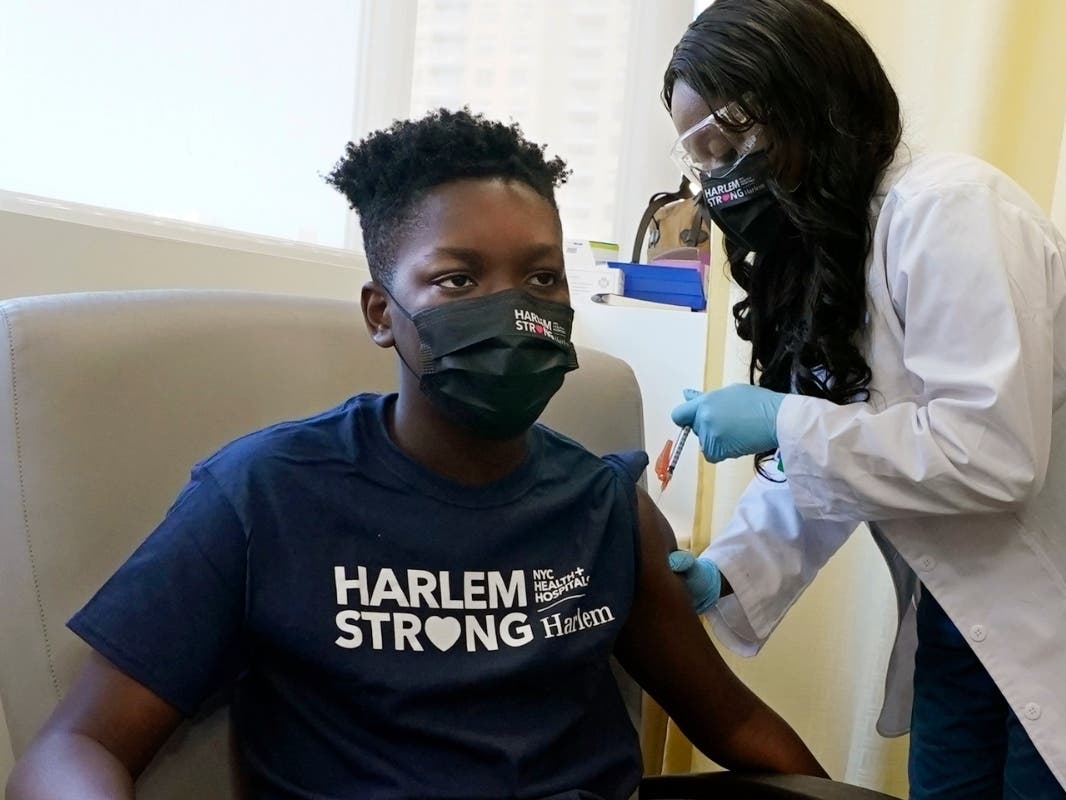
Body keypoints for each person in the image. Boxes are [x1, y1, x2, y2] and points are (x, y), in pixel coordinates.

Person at [6, 109, 826, 800]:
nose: (513, 311)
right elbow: (75, 747)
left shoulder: (604, 504)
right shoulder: (265, 497)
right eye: (459, 281)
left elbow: (738, 724)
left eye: (541, 279)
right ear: (380, 312)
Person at [660, 1, 1066, 798]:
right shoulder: (827, 257)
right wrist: (726, 576)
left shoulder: (948, 209)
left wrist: (782, 418)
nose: (721, 174)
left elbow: (992, 455)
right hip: (961, 621)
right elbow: (840, 466)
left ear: (810, 94)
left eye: (733, 139)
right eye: (703, 155)